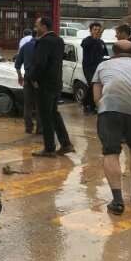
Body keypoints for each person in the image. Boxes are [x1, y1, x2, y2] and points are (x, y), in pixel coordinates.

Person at [92, 40, 131, 215]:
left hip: (109, 110)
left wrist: (103, 108)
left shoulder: (103, 66)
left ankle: (117, 201)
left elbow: (96, 96)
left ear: (113, 52)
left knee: (111, 152)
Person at [29, 16, 74, 157]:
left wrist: (32, 78)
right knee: (54, 113)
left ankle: (49, 149)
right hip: (56, 83)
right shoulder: (59, 40)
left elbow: (40, 64)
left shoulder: (44, 42)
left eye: (37, 26)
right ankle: (66, 144)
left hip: (45, 84)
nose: (35, 29)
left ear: (44, 27)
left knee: (46, 116)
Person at [15, 35, 40, 134]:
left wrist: (20, 76)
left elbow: (17, 65)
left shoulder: (25, 46)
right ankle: (40, 129)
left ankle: (28, 128)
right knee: (39, 105)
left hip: (27, 78)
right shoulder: (41, 46)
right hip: (38, 79)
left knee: (28, 105)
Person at [80, 22, 107, 114]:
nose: (96, 31)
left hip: (99, 67)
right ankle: (86, 103)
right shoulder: (86, 41)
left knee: (97, 87)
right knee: (92, 84)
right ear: (90, 31)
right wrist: (95, 37)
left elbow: (105, 54)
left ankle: (91, 105)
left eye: (98, 30)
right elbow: (86, 45)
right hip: (88, 67)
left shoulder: (101, 42)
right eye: (94, 30)